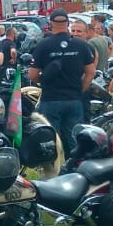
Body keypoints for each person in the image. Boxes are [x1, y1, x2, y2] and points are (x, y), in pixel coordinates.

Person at [29, 8, 96, 139]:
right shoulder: (81, 45)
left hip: (50, 99)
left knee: (53, 139)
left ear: (50, 24)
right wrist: (80, 90)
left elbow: (32, 75)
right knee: (74, 139)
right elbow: (90, 72)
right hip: (74, 99)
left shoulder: (43, 45)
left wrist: (43, 82)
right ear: (67, 24)